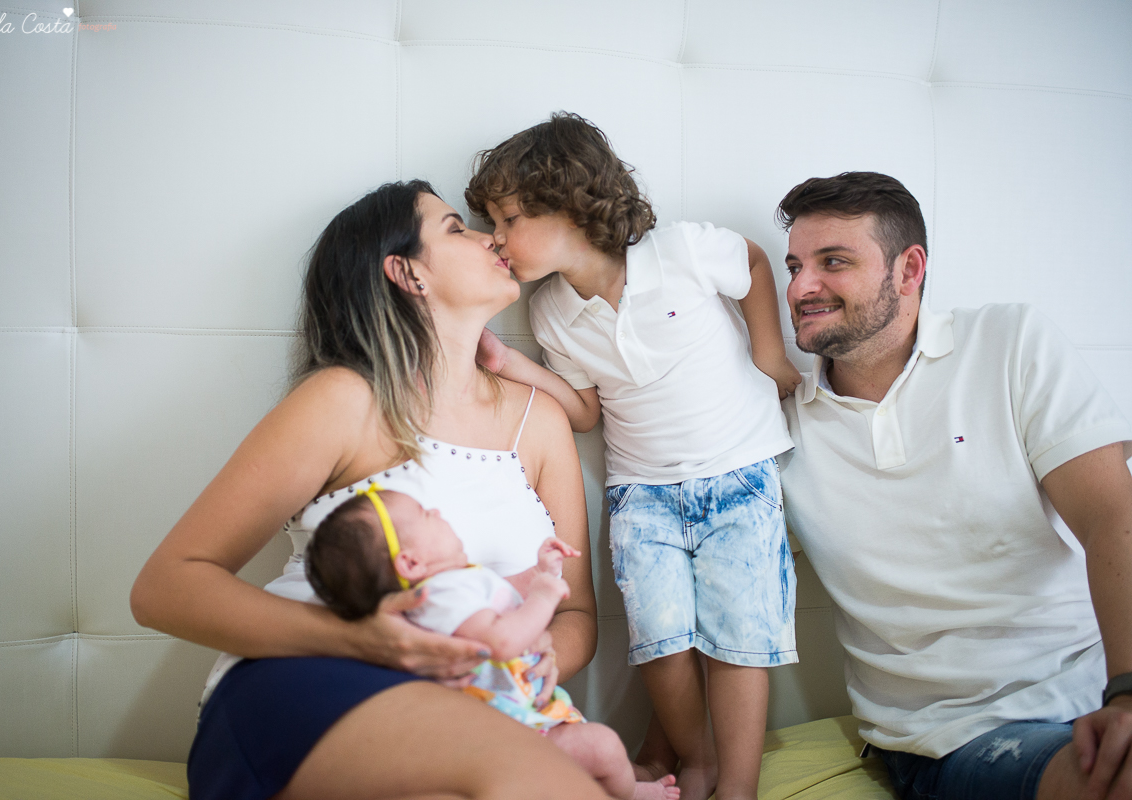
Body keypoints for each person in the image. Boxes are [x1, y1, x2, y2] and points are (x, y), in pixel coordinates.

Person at [130, 180, 608, 800]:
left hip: (482, 698)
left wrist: (535, 653)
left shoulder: (538, 421)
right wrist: (360, 638)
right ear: (407, 272)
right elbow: (166, 587)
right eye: (456, 228)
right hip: (314, 677)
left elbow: (575, 613)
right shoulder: (345, 400)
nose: (493, 239)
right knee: (537, 784)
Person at [466, 112, 801, 800]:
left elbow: (753, 262)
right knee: (659, 639)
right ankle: (697, 760)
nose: (494, 239)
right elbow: (586, 412)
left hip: (739, 474)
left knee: (740, 639)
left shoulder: (680, 251)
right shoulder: (551, 311)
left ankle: (738, 786)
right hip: (641, 492)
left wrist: (771, 356)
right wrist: (514, 367)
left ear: (567, 204)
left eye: (507, 220)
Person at [775, 171, 1132, 800]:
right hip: (954, 737)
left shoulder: (1009, 343)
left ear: (909, 270)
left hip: (1099, 686)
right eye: (794, 266)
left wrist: (1126, 694)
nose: (801, 287)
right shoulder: (776, 427)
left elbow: (1112, 517)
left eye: (833, 262)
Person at [306, 486, 681, 800]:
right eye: (423, 514)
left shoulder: (459, 583)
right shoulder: (440, 597)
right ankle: (630, 794)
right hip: (511, 733)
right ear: (411, 563)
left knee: (590, 758)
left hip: (521, 718)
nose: (436, 511)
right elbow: (501, 642)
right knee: (603, 747)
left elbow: (505, 596)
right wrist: (544, 596)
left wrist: (542, 570)